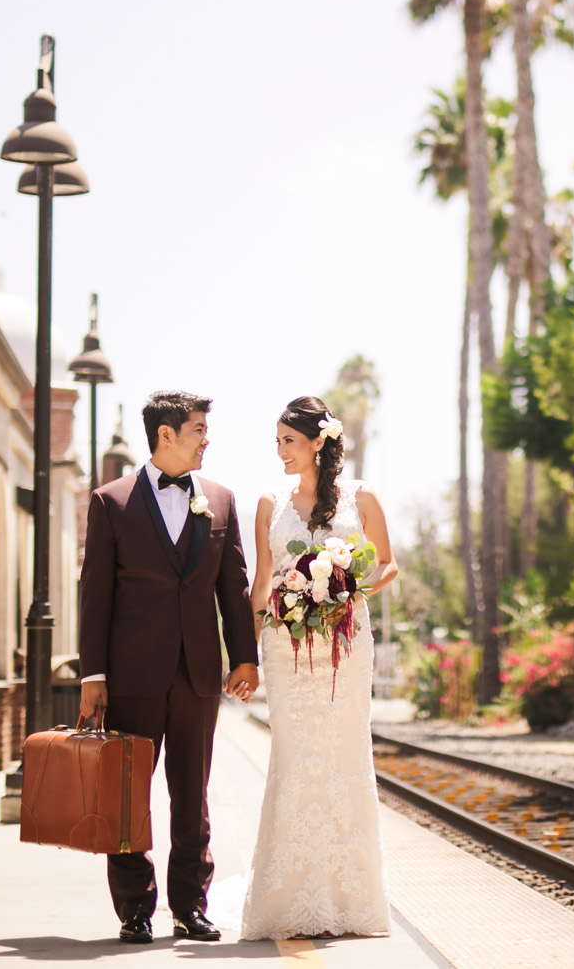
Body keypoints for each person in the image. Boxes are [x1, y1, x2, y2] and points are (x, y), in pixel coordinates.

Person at [77, 390, 259, 944]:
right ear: (166, 435)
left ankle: (189, 905)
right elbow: (96, 595)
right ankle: (134, 907)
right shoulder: (111, 501)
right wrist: (94, 676)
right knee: (128, 796)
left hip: (199, 674)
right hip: (132, 677)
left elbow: (234, 587)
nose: (207, 439)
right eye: (199, 429)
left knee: (192, 795)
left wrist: (245, 656)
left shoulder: (222, 501)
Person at [239, 395, 400, 941]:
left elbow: (386, 562)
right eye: (278, 441)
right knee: (292, 758)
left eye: (288, 440)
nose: (280, 451)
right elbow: (261, 583)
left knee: (345, 757)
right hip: (285, 651)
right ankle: (285, 902)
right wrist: (244, 650)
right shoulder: (268, 502)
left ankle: (351, 901)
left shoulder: (362, 496)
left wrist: (343, 588)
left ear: (317, 442)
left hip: (347, 646)